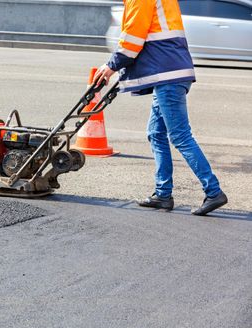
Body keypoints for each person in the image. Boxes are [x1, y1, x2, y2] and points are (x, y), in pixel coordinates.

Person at [93, 0, 227, 215]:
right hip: (171, 72)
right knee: (155, 134)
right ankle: (163, 194)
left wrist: (111, 66)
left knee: (181, 136)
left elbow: (133, 38)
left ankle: (213, 191)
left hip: (168, 76)